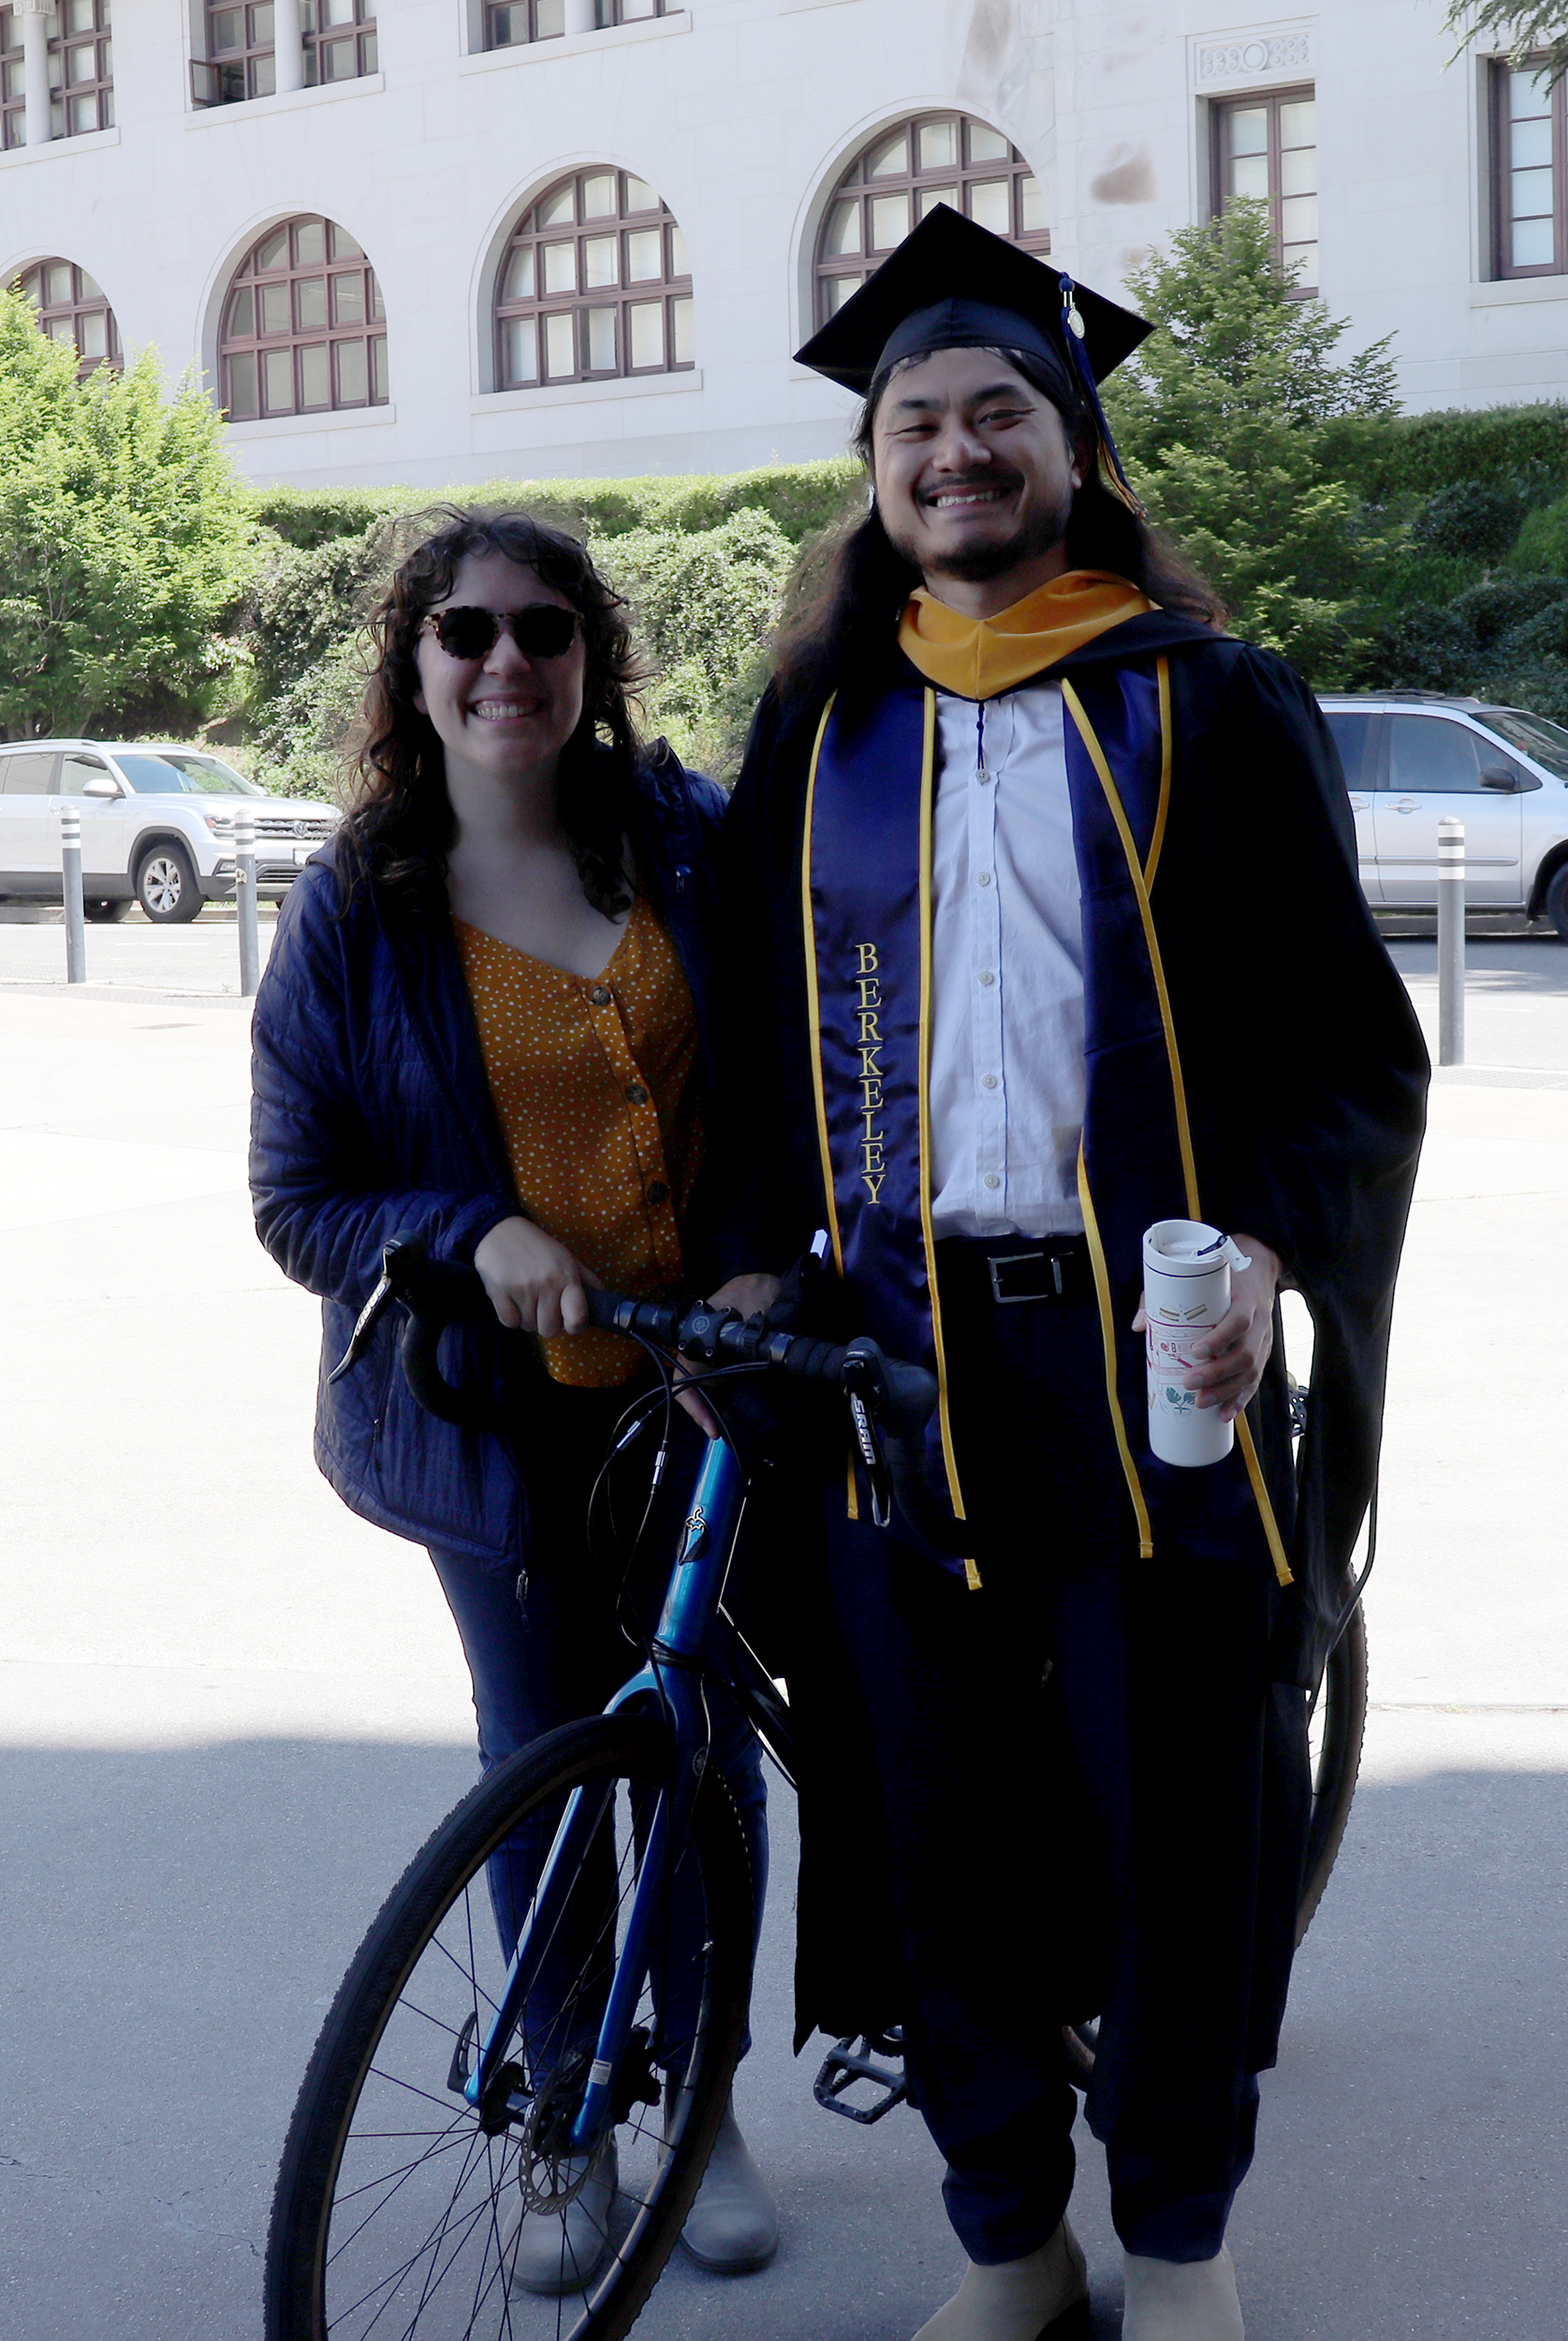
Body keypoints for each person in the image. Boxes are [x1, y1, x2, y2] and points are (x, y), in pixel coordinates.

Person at [715, 209, 1428, 2341]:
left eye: (995, 413)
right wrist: (757, 1266)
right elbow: (751, 1053)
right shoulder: (824, 735)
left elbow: (1341, 1044)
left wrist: (1278, 1246)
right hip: (897, 1366)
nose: (953, 453)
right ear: (874, 477)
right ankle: (1007, 2235)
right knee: (938, 1818)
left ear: (1076, 449)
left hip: (1148, 1363)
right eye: (914, 423)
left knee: (1175, 1815)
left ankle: (1182, 2244)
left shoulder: (1211, 704)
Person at [248, 507, 780, 2294]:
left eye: (545, 630)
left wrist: (761, 1264)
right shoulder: (361, 906)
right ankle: (567, 2115)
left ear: (594, 658)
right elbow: (294, 1194)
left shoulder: (687, 843)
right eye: (465, 631)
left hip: (704, 1397)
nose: (507, 663)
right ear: (412, 663)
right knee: (548, 1763)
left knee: (702, 1756)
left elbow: (792, 1086)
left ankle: (698, 2096)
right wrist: (469, 1230)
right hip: (499, 1419)